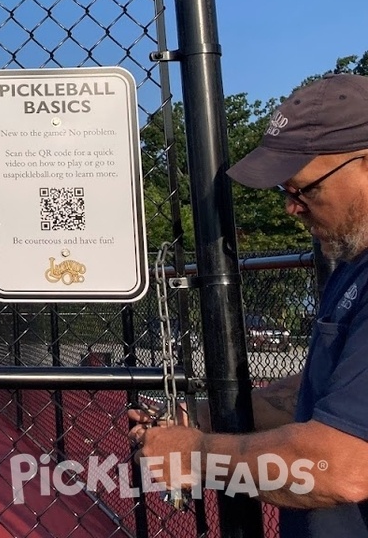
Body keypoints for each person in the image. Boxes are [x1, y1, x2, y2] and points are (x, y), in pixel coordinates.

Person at [129, 73, 368, 535]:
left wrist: (195, 455)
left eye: (305, 190)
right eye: (285, 192)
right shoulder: (352, 264)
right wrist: (201, 418)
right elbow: (324, 395)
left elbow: (342, 465)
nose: (291, 208)